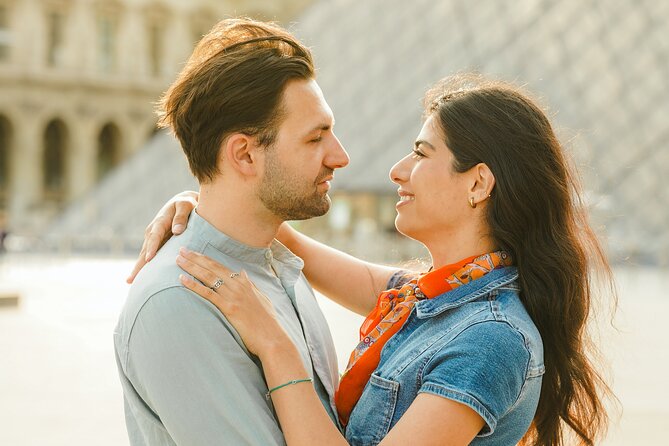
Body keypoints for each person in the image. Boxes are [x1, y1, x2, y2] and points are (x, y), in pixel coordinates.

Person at [134, 74, 615, 445]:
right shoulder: (431, 299)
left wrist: (272, 343)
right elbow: (316, 253)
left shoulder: (490, 341)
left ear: (477, 184)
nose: (397, 170)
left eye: (421, 154)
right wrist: (208, 202)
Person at [114, 18, 353, 445]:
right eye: (315, 138)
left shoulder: (280, 267)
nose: (340, 156)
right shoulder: (180, 301)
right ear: (244, 155)